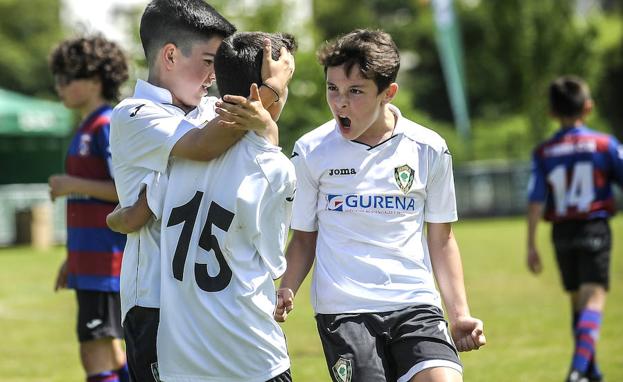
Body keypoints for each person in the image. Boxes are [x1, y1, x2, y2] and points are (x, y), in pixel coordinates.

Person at [274, 29, 485, 382]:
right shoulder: (311, 151)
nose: (340, 102)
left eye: (355, 91)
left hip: (415, 304)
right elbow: (303, 239)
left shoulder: (428, 148)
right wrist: (286, 288)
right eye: (333, 89)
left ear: (388, 93)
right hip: (345, 313)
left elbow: (442, 239)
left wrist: (459, 313)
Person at [108, 0, 294, 380]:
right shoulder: (135, 113)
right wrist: (274, 85)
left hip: (211, 301)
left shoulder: (211, 112)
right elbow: (206, 144)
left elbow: (260, 129)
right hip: (155, 302)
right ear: (171, 55)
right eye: (209, 61)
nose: (214, 75)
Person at [526, 76, 623, 382]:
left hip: (561, 233)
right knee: (594, 299)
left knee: (577, 304)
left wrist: (531, 244)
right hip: (594, 226)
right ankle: (578, 372)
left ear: (552, 112)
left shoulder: (543, 152)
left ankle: (591, 373)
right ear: (588, 107)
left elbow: (535, 199)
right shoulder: (604, 144)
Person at [49, 35, 130, 382]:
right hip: (90, 260)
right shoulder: (85, 125)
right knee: (108, 349)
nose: (60, 86)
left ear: (95, 80)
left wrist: (72, 184)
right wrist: (74, 258)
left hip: (109, 263)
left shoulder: (106, 124)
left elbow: (126, 193)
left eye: (68, 78)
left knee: (94, 350)